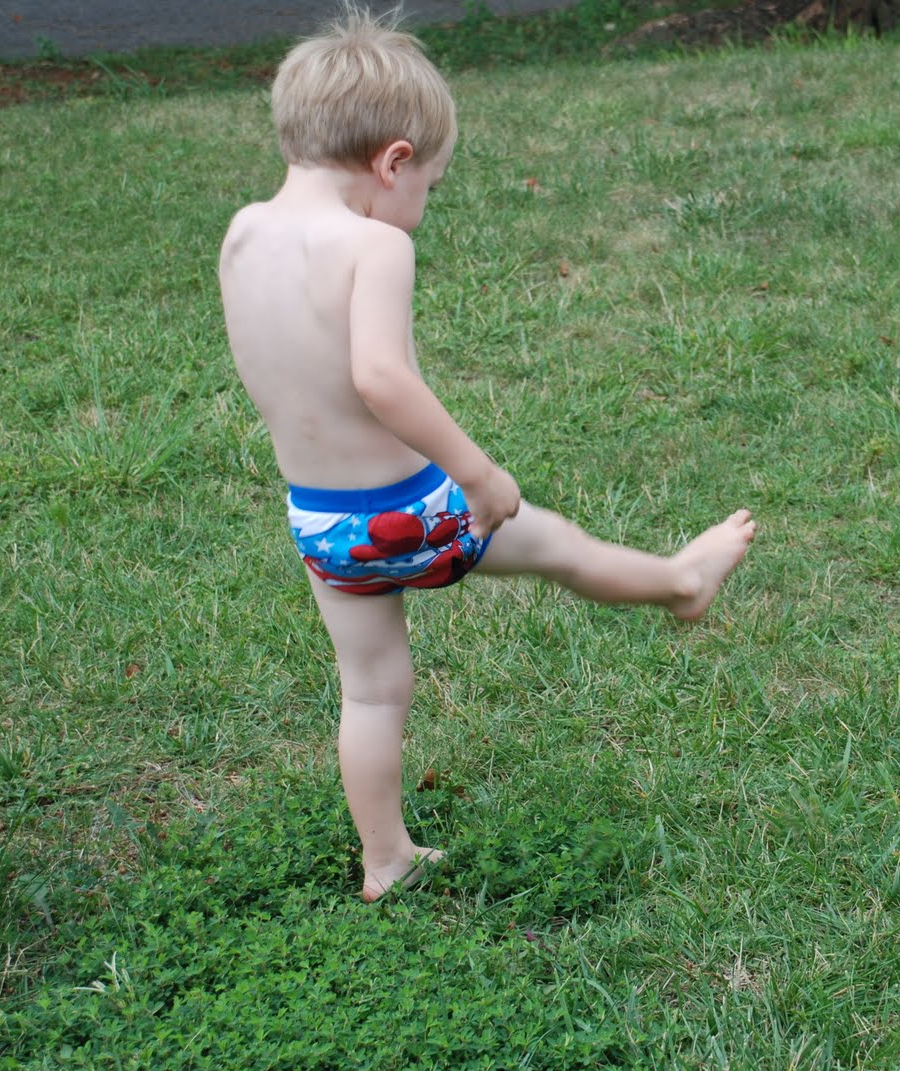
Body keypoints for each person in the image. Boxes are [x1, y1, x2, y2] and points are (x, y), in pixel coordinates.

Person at [218, 6, 756, 902]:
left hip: (321, 525)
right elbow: (382, 378)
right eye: (427, 181)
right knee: (566, 552)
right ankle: (680, 584)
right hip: (421, 510)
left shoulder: (243, 233)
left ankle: (383, 857)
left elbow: (269, 364)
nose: (421, 203)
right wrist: (479, 472)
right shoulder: (374, 243)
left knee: (374, 690)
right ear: (393, 161)